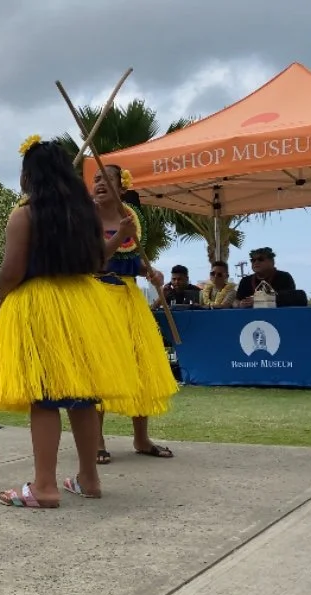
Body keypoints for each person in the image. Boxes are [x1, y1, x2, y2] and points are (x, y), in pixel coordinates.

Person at [0, 135, 137, 508]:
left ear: (30, 175)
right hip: (84, 302)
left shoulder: (25, 214)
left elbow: (12, 271)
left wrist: (1, 290)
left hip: (40, 304)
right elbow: (97, 260)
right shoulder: (84, 214)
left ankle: (45, 486)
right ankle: (88, 479)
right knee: (82, 395)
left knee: (45, 397)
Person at [91, 165, 179, 464]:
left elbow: (133, 259)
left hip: (130, 299)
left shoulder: (131, 216)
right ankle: (96, 441)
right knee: (101, 368)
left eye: (106, 179)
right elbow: (94, 259)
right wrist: (120, 235)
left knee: (141, 364)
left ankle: (141, 438)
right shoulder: (84, 218)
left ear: (122, 187)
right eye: (96, 179)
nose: (99, 183)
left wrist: (150, 271)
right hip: (98, 297)